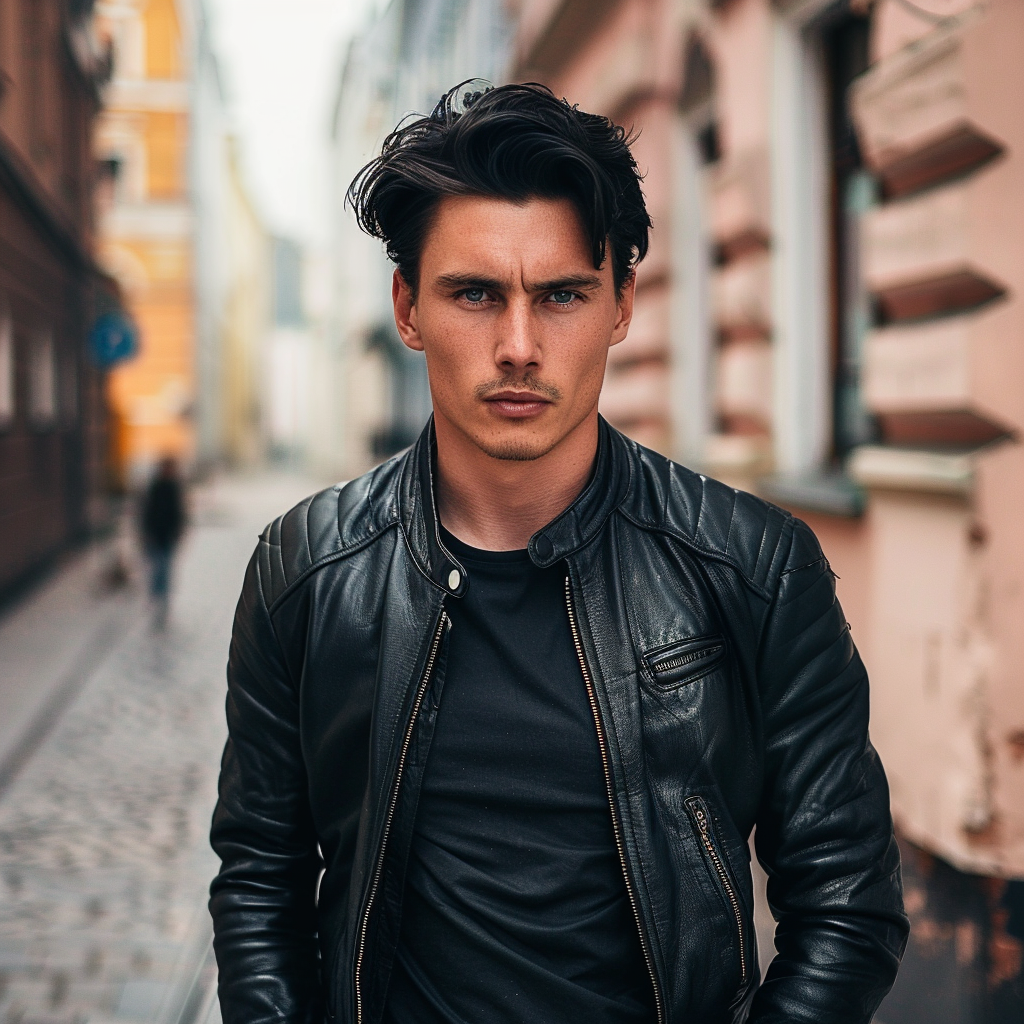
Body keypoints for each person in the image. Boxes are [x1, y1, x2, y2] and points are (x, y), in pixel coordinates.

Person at [209, 83, 908, 1024]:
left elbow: (847, 907)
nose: (519, 346)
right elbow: (261, 877)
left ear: (622, 303)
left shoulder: (754, 569)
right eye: (475, 294)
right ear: (407, 309)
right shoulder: (306, 569)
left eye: (563, 295)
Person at [140, 455, 185, 626]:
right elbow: (147, 512)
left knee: (164, 567)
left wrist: (179, 531)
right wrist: (145, 533)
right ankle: (155, 595)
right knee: (158, 567)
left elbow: (179, 512)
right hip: (155, 534)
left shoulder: (174, 488)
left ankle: (162, 598)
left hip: (168, 535)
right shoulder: (155, 487)